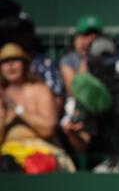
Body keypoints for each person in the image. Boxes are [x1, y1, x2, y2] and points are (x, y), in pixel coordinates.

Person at [0, 43, 75, 172]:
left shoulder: (40, 90)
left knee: (36, 166)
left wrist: (19, 111)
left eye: (15, 60)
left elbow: (49, 128)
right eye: (5, 62)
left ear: (25, 65)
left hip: (41, 151)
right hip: (7, 154)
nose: (10, 66)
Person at [59, 15, 102, 96]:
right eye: (87, 34)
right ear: (78, 37)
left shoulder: (106, 56)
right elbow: (74, 91)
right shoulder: (68, 60)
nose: (91, 38)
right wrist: (84, 56)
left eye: (96, 34)